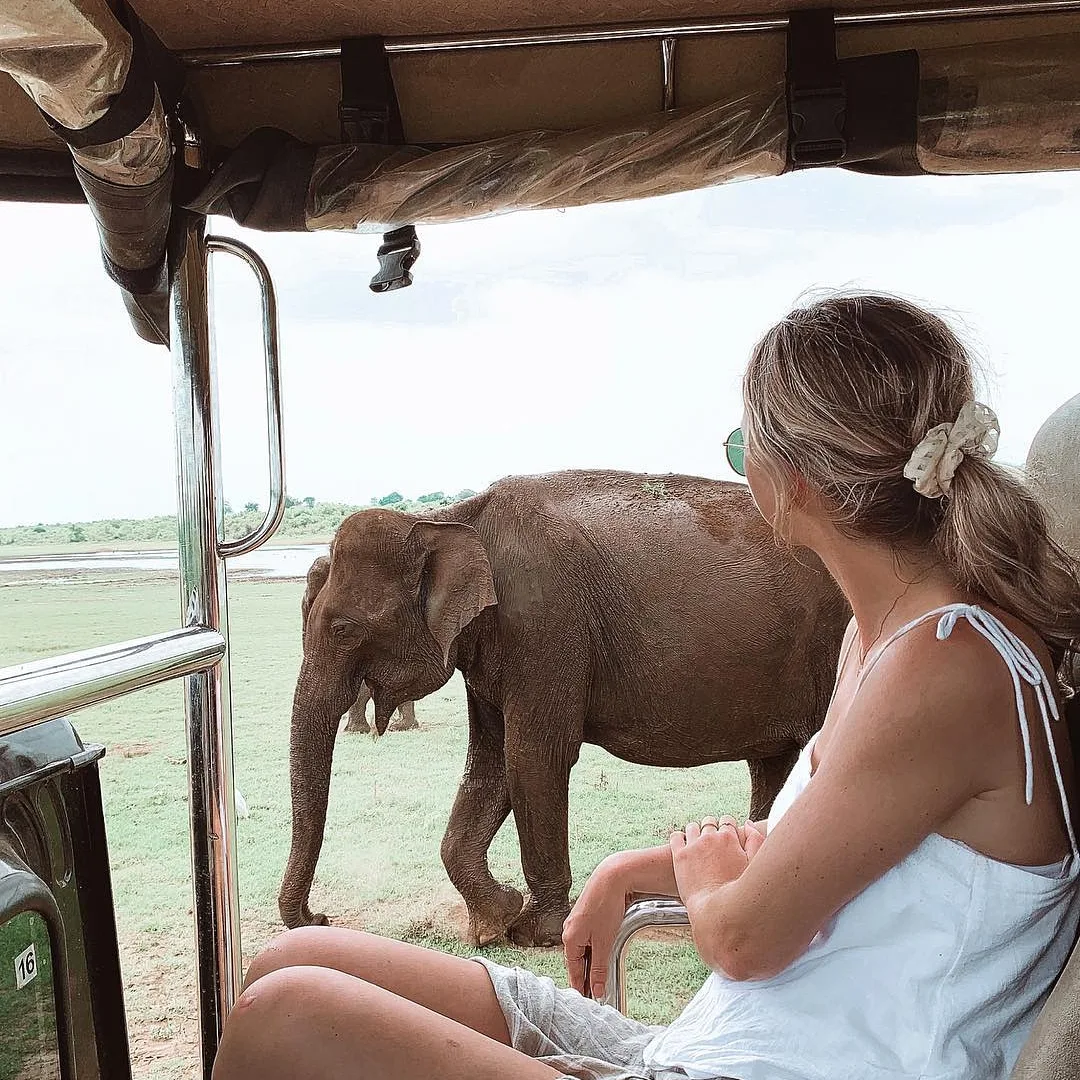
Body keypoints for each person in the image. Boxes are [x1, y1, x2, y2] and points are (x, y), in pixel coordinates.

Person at [211, 294, 1080, 1080]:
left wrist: (705, 880)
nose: (741, 468)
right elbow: (841, 842)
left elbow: (741, 935)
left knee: (283, 1018)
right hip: (714, 1046)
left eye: (743, 446)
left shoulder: (950, 664)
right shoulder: (885, 638)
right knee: (285, 966)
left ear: (795, 484)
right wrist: (639, 866)